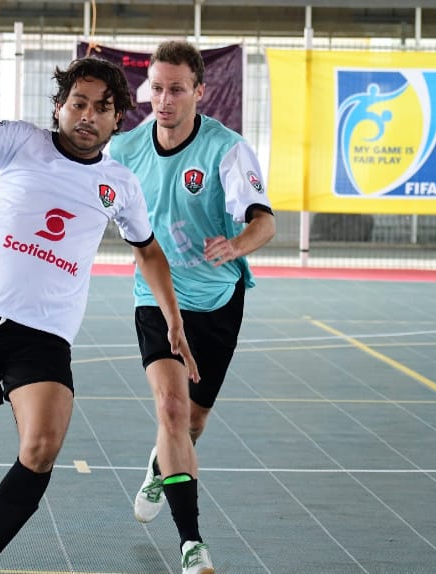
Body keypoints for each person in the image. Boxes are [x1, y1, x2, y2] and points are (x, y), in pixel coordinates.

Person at [0, 56, 198, 574]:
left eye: (102, 108)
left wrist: (173, 317)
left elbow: (147, 249)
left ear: (117, 119)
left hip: (45, 332)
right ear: (59, 107)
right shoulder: (20, 142)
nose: (88, 115)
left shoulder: (120, 184)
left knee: (41, 448)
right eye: (78, 103)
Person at [108, 40, 275, 574]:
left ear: (199, 92)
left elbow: (264, 221)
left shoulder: (226, 149)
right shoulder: (125, 150)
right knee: (172, 411)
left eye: (177, 89)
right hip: (156, 297)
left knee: (193, 423)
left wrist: (236, 245)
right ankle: (192, 545)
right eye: (156, 88)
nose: (165, 99)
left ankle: (163, 465)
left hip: (217, 299)